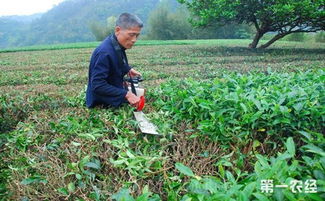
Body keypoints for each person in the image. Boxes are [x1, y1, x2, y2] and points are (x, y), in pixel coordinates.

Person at [86, 13, 143, 108]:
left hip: (115, 90)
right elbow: (97, 85)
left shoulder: (116, 44)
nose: (134, 40)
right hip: (102, 102)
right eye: (132, 34)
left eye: (137, 35)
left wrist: (128, 69)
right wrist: (127, 94)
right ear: (117, 30)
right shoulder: (104, 52)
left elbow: (118, 60)